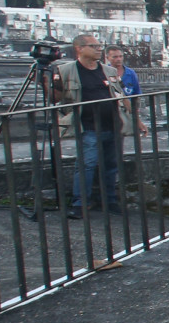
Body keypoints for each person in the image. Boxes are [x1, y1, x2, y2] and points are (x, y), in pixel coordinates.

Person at [50, 33, 129, 218]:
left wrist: (135, 120)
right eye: (94, 46)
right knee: (87, 164)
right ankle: (80, 203)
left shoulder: (108, 71)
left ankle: (109, 200)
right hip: (88, 125)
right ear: (80, 48)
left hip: (112, 123)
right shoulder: (67, 71)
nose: (98, 49)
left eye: (99, 45)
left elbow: (121, 95)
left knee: (111, 164)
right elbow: (56, 98)